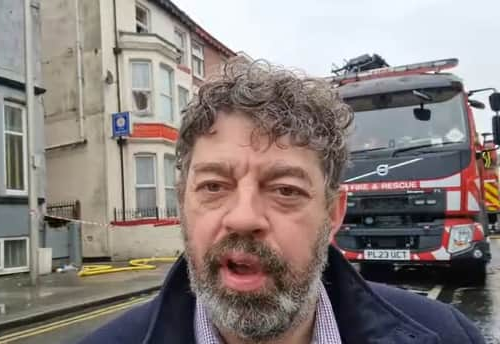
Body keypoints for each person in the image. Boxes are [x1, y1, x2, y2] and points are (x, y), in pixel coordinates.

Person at [80, 59, 484, 344]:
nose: (243, 218)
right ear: (183, 204)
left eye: (285, 190)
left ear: (332, 213)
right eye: (214, 186)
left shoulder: (449, 336)